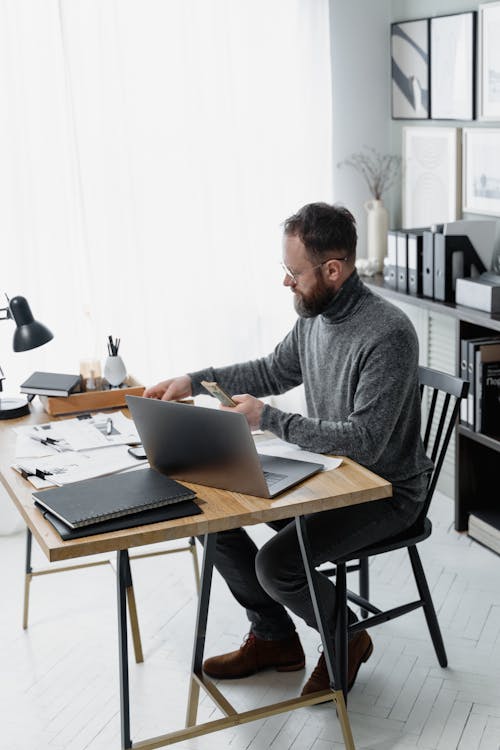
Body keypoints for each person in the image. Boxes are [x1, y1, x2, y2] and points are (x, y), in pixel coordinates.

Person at [144, 202, 433, 695]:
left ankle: (346, 637)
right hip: (332, 474)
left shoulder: (388, 334)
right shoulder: (314, 319)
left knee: (276, 564)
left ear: (333, 270)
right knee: (211, 518)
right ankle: (276, 638)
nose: (286, 282)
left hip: (386, 493)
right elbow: (270, 371)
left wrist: (270, 419)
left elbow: (366, 439)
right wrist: (194, 380)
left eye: (293, 272)